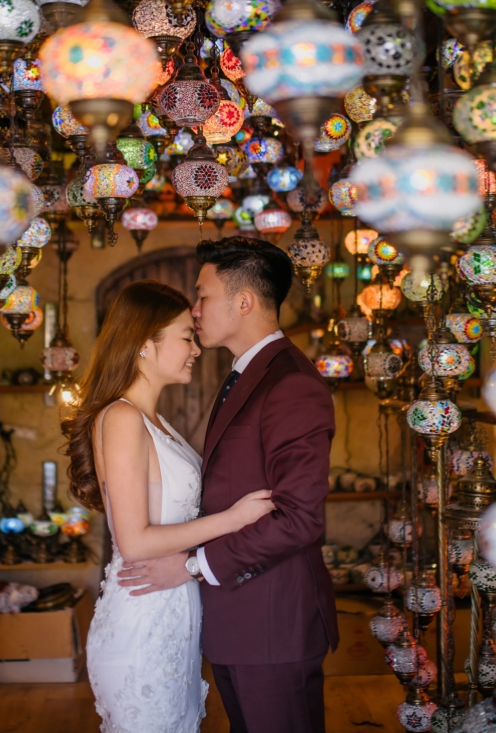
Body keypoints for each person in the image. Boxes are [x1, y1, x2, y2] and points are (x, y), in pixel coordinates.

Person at [117, 237, 339, 733]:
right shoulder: (246, 374)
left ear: (244, 302)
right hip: (240, 622)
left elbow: (299, 517)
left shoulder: (290, 384)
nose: (194, 310)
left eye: (203, 296)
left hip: (272, 623)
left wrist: (195, 565)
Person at [64, 279, 276, 733]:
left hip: (175, 613)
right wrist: (233, 519)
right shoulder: (120, 418)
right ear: (145, 343)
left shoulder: (155, 420)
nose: (195, 348)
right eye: (185, 337)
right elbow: (135, 541)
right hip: (142, 622)